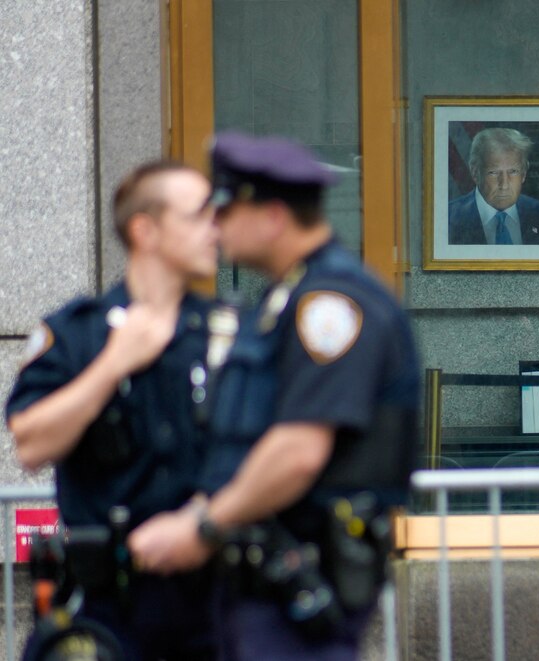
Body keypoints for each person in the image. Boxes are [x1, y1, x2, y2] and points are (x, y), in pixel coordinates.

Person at [127, 132, 421, 660]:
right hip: (255, 585)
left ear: (273, 217)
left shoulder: (331, 305)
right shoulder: (281, 303)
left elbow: (298, 452)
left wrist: (203, 526)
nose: (215, 225)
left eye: (228, 210)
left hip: (299, 587)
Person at [5, 161, 219, 660]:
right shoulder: (80, 334)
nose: (216, 229)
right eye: (199, 216)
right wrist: (112, 365)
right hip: (109, 609)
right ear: (146, 230)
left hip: (216, 603)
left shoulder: (229, 334)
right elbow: (31, 444)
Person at [448, 126, 539, 245]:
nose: (504, 185)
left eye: (513, 172)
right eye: (494, 172)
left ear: (523, 173)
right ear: (475, 173)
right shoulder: (447, 219)